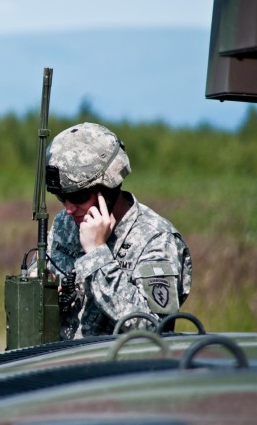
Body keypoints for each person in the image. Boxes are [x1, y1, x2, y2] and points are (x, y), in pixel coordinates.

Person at [44, 122, 192, 339]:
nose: (68, 208)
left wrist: (97, 254)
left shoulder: (156, 239)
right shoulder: (64, 224)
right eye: (61, 197)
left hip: (118, 369)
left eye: (77, 196)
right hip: (62, 364)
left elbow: (153, 330)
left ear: (109, 188)